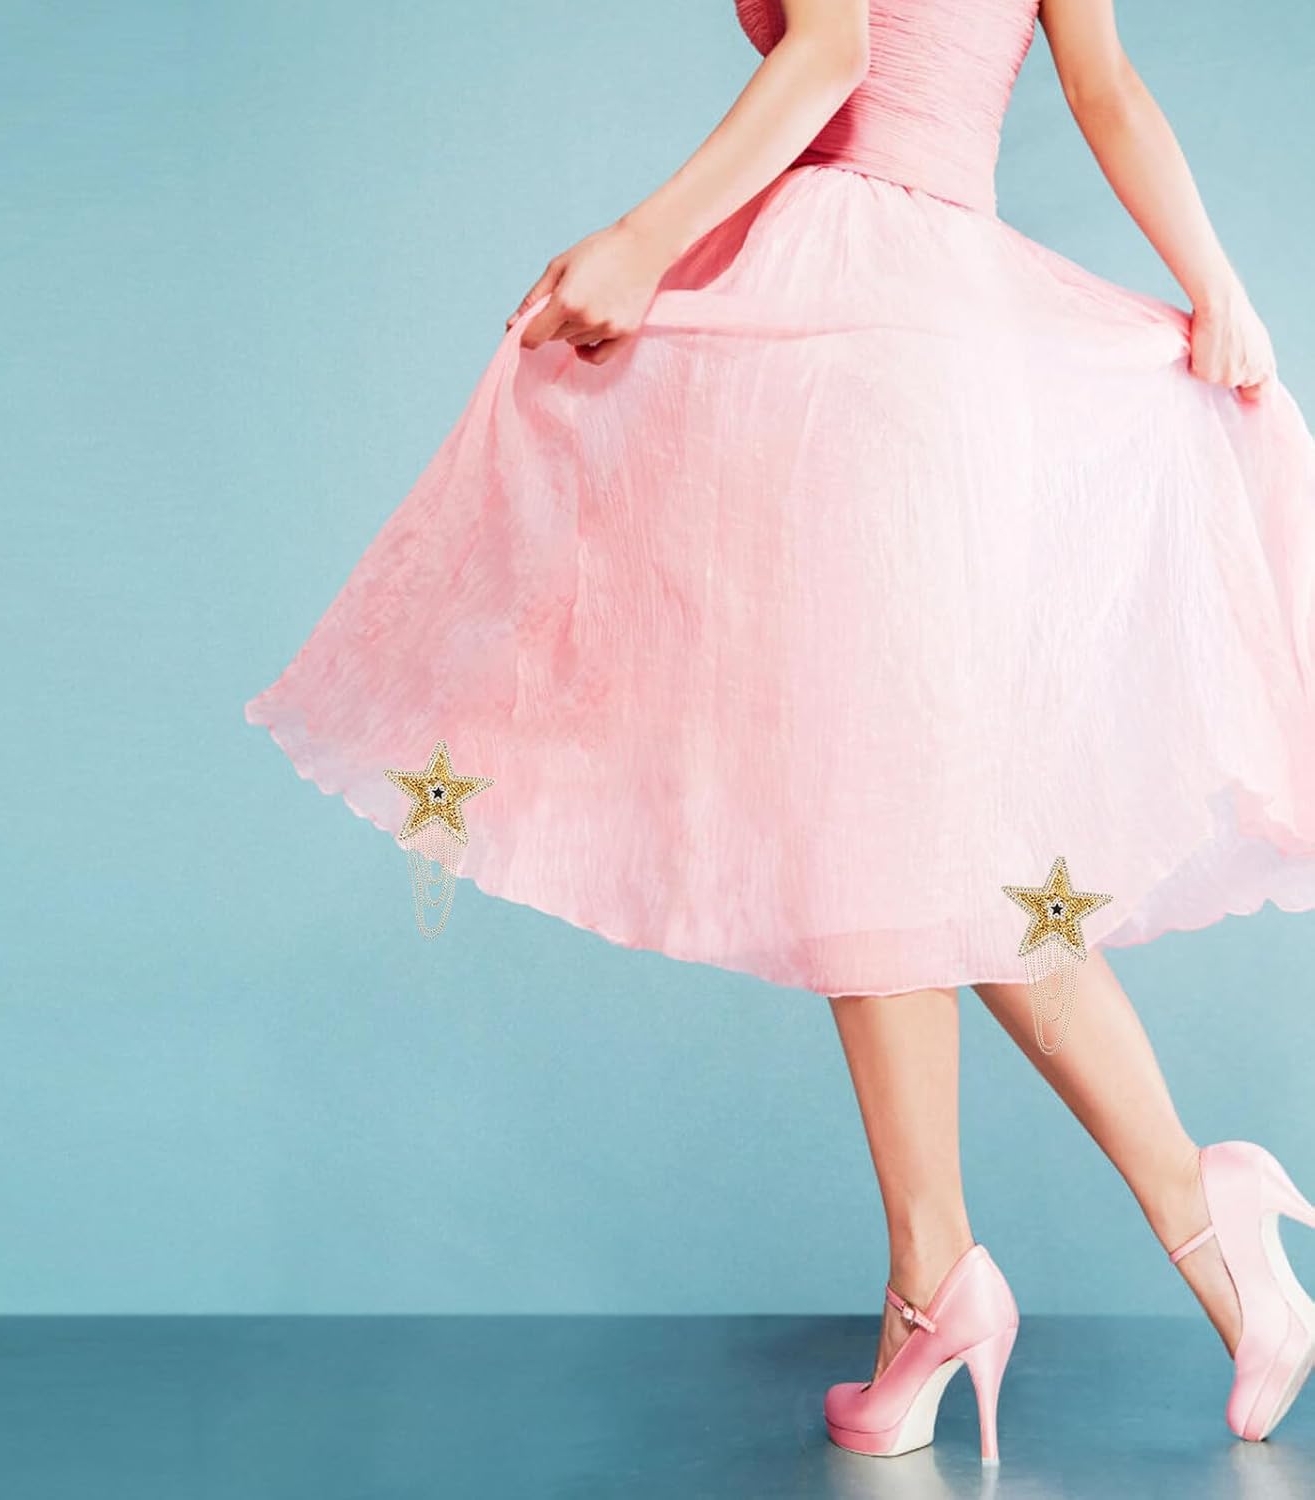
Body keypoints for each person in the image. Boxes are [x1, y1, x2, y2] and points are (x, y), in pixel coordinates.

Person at [246, 0, 1315, 1462]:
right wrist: (1219, 286)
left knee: (871, 815)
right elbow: (1103, 82)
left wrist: (639, 239)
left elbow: (831, 55)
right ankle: (1189, 1218)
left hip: (851, 322)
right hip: (953, 330)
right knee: (939, 835)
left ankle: (942, 1278)